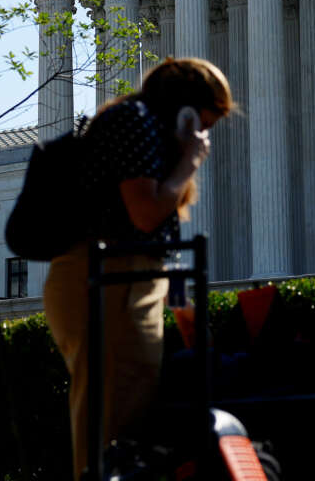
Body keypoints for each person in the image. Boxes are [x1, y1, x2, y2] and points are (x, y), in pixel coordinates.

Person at [43, 57, 234, 480]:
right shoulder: (137, 122)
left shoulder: (141, 127)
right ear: (186, 109)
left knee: (122, 422)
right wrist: (191, 160)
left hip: (121, 280)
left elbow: (150, 235)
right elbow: (145, 215)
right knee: (110, 427)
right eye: (209, 117)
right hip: (108, 281)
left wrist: (177, 301)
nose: (208, 131)